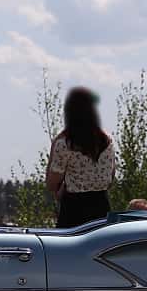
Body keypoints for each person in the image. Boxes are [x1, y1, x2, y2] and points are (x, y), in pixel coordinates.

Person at [45, 86, 116, 227]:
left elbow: (51, 183)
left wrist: (54, 145)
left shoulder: (65, 144)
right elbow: (110, 178)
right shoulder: (107, 141)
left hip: (74, 210)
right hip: (102, 208)